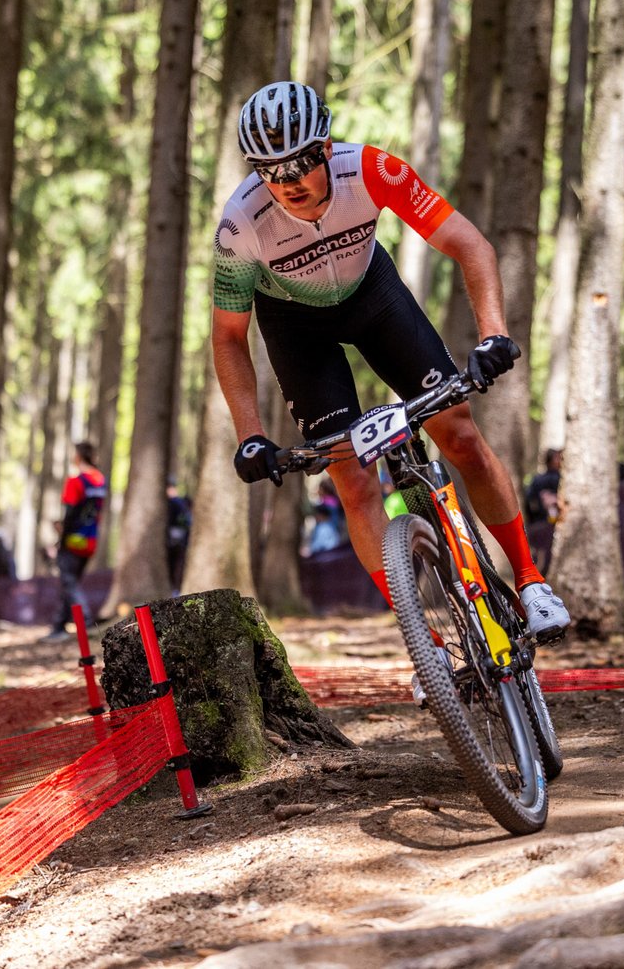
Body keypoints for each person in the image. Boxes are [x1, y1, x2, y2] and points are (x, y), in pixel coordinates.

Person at [211, 81, 569, 641]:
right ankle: (425, 643)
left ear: (326, 148)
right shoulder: (240, 225)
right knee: (353, 483)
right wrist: (250, 435)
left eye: (300, 163)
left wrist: (493, 336)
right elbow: (229, 337)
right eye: (269, 171)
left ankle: (529, 580)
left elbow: (471, 245)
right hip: (295, 326)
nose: (287, 182)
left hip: (373, 297)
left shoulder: (371, 170)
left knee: (461, 437)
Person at [43, 441, 107, 642]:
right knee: (69, 585)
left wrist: (60, 539)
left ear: (78, 457)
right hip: (90, 541)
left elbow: (70, 513)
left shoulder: (76, 481)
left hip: (72, 541)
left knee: (70, 585)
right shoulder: (100, 481)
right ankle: (58, 627)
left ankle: (86, 623)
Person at [523, 448, 564, 526]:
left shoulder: (538, 479)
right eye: (557, 458)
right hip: (542, 520)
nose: (560, 461)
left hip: (544, 521)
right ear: (549, 461)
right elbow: (530, 499)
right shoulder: (541, 479)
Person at [165, 477, 191, 590]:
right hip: (180, 539)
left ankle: (175, 588)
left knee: (175, 564)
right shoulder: (180, 502)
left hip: (176, 539)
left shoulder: (175, 503)